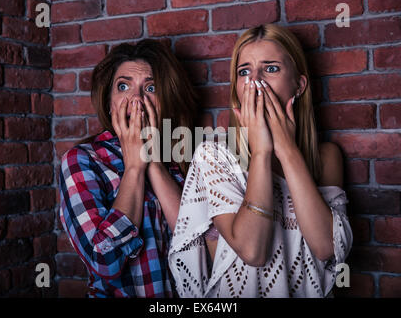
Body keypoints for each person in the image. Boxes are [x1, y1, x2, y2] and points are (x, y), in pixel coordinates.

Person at [168, 24, 353, 298]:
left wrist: (287, 150)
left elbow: (327, 248)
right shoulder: (214, 154)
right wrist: (262, 153)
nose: (255, 81)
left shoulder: (326, 157)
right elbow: (253, 251)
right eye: (244, 72)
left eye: (271, 68)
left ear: (299, 85)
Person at [59, 39, 198, 298]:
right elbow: (104, 261)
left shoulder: (182, 158)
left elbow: (199, 248)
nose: (137, 99)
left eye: (151, 87)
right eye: (123, 86)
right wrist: (134, 167)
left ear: (165, 100)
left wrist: (153, 161)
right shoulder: (82, 161)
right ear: (109, 101)